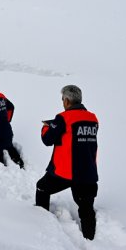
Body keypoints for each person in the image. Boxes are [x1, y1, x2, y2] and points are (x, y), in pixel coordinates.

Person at [35, 84, 99, 240]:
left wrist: (46, 128)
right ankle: (90, 240)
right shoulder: (93, 118)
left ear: (68, 101)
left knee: (42, 188)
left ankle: (40, 222)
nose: (62, 102)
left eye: (63, 99)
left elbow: (47, 140)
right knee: (86, 208)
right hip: (88, 172)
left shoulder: (63, 118)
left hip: (65, 172)